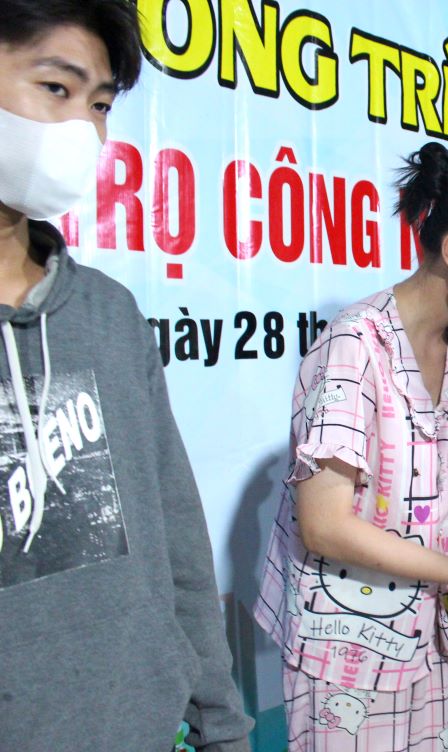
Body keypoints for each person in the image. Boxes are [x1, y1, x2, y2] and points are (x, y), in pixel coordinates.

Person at [0, 1, 254, 750]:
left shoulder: (109, 317)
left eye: (101, 104)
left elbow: (176, 551)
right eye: (55, 88)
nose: (82, 129)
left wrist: (223, 727)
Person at [254, 142, 448, 752]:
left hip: (426, 638)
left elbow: (441, 498)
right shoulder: (354, 347)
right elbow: (326, 528)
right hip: (344, 655)